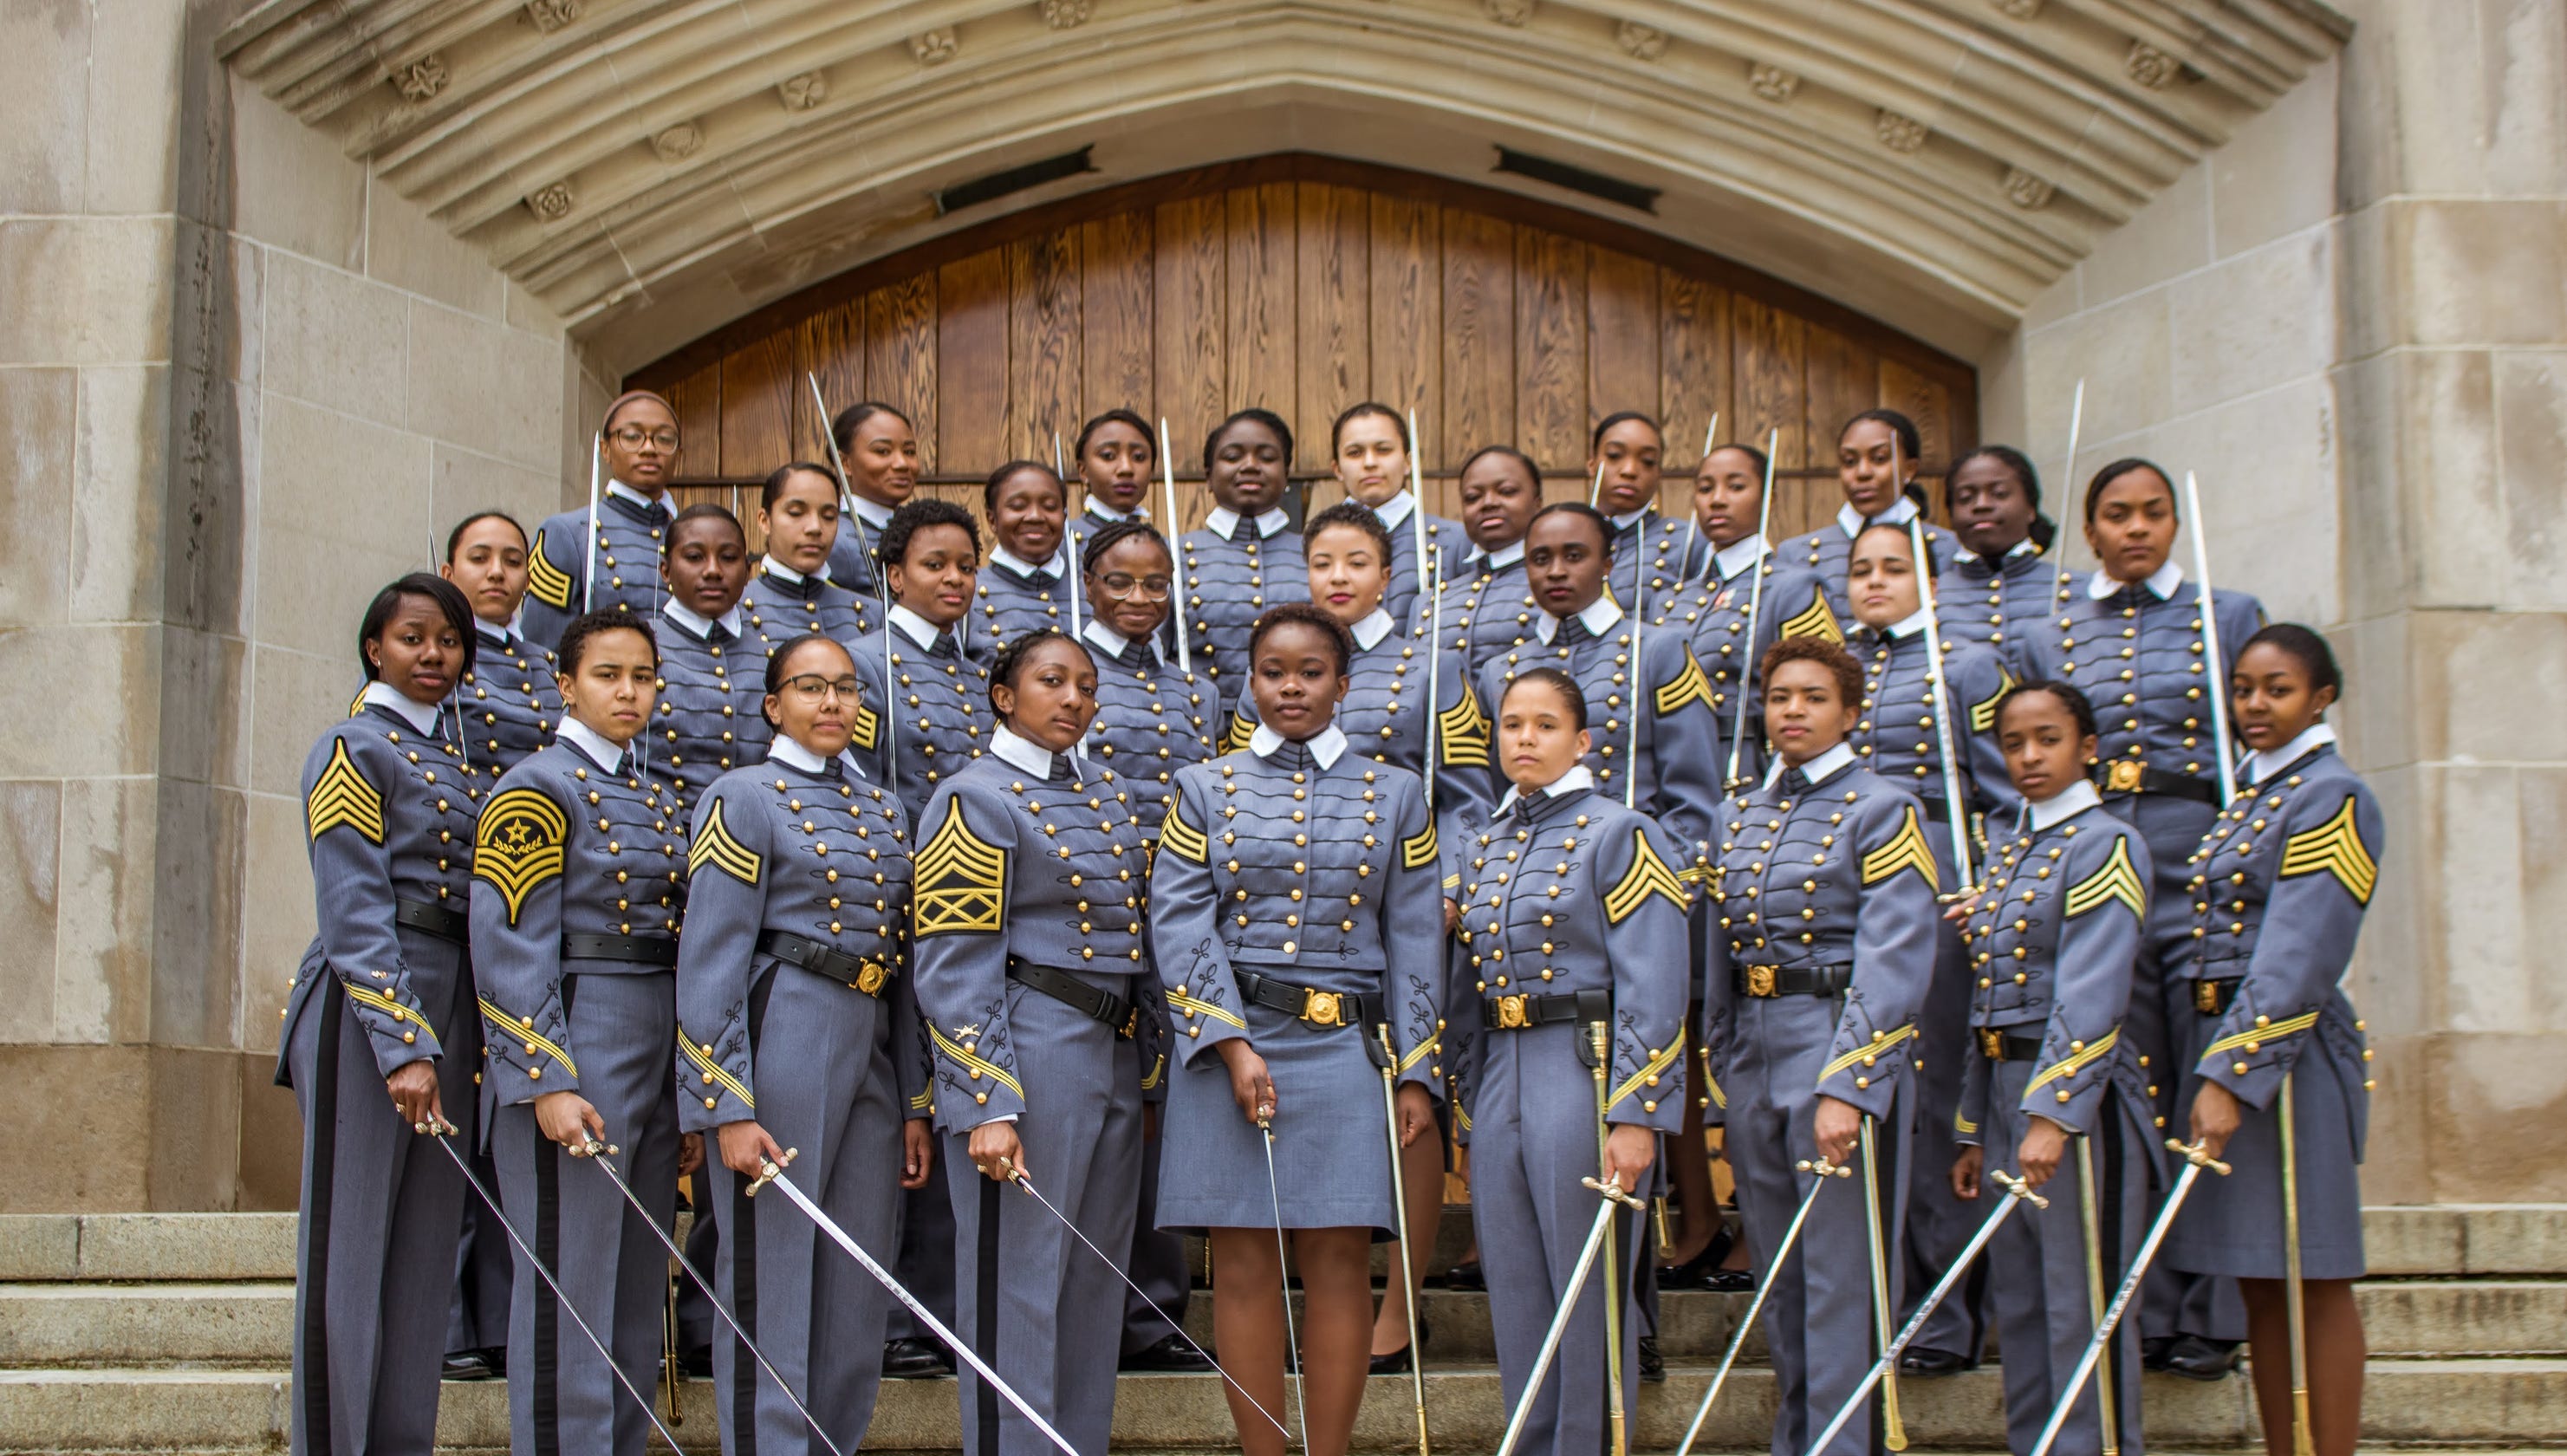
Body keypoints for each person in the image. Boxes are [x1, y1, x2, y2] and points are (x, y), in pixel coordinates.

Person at [1151, 604, 1446, 1456]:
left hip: (1345, 1051)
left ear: (1342, 685)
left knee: (1339, 1261)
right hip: (1228, 1048)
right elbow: (1178, 925)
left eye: (1310, 671)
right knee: (1241, 1265)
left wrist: (1417, 1069)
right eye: (1273, 671)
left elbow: (1417, 934)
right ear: (1250, 680)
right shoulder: (1201, 788)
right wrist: (1231, 1043)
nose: (1290, 686)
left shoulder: (1397, 793)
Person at [1233, 500, 1493, 1372]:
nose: (1338, 577)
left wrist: (1449, 880)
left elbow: (1470, 792)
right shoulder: (1273, 665)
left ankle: (1401, 1299)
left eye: (1356, 561)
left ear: (1389, 573)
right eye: (1322, 563)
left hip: (1411, 905)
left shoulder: (1434, 666)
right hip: (1304, 924)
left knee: (1412, 1096)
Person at [676, 633, 932, 1454]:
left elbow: (901, 964)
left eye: (848, 689)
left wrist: (915, 1103)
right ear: (771, 703)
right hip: (786, 1022)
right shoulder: (742, 796)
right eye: (811, 687)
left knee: (857, 1285)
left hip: (871, 1044)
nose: (832, 704)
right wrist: (724, 1101)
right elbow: (712, 959)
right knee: (773, 1274)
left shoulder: (890, 809)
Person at [909, 628, 1159, 1456]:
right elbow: (953, 965)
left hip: (1112, 1052)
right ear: (1004, 696)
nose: (1075, 699)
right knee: (1018, 1286)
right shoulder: (974, 797)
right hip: (1031, 1047)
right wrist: (986, 1097)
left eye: (1087, 685)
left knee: (1091, 1285)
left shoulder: (1112, 795)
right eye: (1052, 681)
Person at [1699, 636, 1941, 1456]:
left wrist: (1850, 1083)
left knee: (1842, 1275)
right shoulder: (1739, 813)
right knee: (1783, 1274)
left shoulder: (1885, 808)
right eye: (1778, 697)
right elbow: (1721, 954)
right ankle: (1798, 1437)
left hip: (1834, 1046)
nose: (1792, 711)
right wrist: (1727, 1059)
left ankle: (1839, 1445)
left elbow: (1897, 956)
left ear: (1850, 712)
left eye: (1811, 697)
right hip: (1759, 1058)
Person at [2051, 457, 2265, 1380]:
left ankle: (2209, 1301)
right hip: (2100, 858)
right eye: (2115, 515)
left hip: (2198, 853)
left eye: (2152, 514)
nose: (2135, 529)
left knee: (2199, 1064)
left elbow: (2254, 746)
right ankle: (2134, 1297)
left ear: (2174, 522)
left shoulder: (2228, 615)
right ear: (2089, 530)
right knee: (2119, 1080)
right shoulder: (2054, 626)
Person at [1459, 668, 1694, 1456]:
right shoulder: (1487, 842)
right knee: (1519, 1285)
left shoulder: (1621, 830)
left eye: (1546, 725)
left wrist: (1637, 1113)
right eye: (1512, 725)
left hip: (1583, 1067)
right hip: (1503, 1066)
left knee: (1585, 1288)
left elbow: (1655, 982)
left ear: (1582, 741)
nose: (1524, 738)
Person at [471, 609, 689, 1456]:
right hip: (581, 1032)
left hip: (651, 1034)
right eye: (608, 675)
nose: (628, 691)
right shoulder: (534, 787)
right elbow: (510, 944)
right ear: (567, 684)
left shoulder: (656, 794)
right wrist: (545, 1077)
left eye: (642, 676)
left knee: (634, 1292)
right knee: (570, 1288)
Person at [279, 574, 485, 1456]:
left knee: (424, 1254)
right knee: (352, 1245)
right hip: (371, 1008)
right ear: (375, 648)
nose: (432, 655)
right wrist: (401, 1042)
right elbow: (353, 905)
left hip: (455, 1006)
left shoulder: (464, 763)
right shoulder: (350, 749)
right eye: (412, 638)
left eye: (448, 640)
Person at [2166, 625, 2379, 1456]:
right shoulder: (2255, 794)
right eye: (2245, 689)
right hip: (2225, 1046)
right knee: (2260, 1280)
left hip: (2285, 1062)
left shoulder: (2333, 794)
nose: (2256, 705)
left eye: (2278, 689)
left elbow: (2301, 954)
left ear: (2321, 697)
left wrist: (2231, 1075)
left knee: (2314, 1279)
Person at [1950, 680, 2156, 1456]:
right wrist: (1975, 1126)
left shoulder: (2107, 842)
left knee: (2081, 1301)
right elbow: (1988, 1001)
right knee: (2026, 1301)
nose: (2030, 757)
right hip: (2007, 1093)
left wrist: (2055, 1113)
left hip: (2074, 1102)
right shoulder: (2011, 850)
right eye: (2014, 744)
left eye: (2049, 740)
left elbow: (2093, 990)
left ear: (2089, 747)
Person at [1840, 520, 2018, 1376]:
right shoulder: (1835, 665)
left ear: (1932, 582)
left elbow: (2006, 790)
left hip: (1938, 888)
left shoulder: (1968, 663)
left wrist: (1999, 883)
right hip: (1846, 891)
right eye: (1861, 570)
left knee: (1936, 1102)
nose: (1875, 583)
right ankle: (1873, 1303)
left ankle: (1943, 1315)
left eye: (1894, 569)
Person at [1072, 517, 1219, 1373]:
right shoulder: (1067, 672)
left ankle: (1154, 1315)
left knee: (1163, 1114)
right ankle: (1090, 1309)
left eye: (1154, 584)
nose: (1138, 598)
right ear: (1089, 582)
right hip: (1095, 912)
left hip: (1177, 914)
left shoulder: (1193, 689)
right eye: (1119, 581)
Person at [847, 496, 991, 1377]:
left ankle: (938, 1306)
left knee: (946, 1098)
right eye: (934, 564)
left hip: (966, 918)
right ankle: (892, 1313)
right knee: (889, 1112)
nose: (953, 580)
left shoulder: (983, 673)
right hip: (886, 911)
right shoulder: (863, 666)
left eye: (964, 566)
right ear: (895, 571)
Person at [436, 514, 556, 1381]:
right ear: (450, 566)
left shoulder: (549, 670)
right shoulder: (435, 660)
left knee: (505, 1126)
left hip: (527, 913)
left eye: (513, 560)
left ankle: (508, 1314)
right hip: (452, 914)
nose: (499, 572)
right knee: (455, 1127)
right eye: (481, 558)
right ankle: (448, 1323)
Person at [1474, 503, 1725, 864]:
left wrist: (1662, 875)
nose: (1556, 572)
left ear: (1607, 565)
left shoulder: (1657, 651)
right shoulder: (1499, 671)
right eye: (1541, 559)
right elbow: (1492, 793)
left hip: (1629, 867)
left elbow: (1694, 797)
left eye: (1574, 556)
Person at [1654, 439, 1840, 792]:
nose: (1717, 499)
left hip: (1746, 767)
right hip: (1671, 768)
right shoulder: (1670, 598)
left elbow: (1821, 693)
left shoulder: (1793, 588)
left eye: (1736, 487)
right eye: (1705, 488)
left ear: (1768, 497)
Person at [523, 391, 684, 648]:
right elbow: (542, 648)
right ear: (605, 449)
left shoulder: (691, 535)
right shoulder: (567, 533)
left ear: (679, 454)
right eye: (632, 437)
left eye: (664, 439)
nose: (649, 448)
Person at [1180, 408, 1308, 723]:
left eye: (1266, 457)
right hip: (1205, 725)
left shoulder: (1316, 553)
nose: (1250, 466)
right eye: (1233, 456)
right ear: (1208, 475)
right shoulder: (1175, 553)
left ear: (1286, 473)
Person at [1777, 409, 1956, 621]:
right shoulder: (1796, 553)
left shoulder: (1948, 547)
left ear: (1910, 469)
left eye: (1879, 458)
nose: (1863, 472)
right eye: (1849, 461)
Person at [653, 504, 772, 820]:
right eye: (694, 557)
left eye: (729, 558)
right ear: (665, 570)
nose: (713, 570)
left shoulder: (770, 650)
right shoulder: (638, 647)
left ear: (748, 571)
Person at [1936, 445, 2071, 679]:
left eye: (1999, 494)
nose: (1981, 505)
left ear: (2031, 508)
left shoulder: (2078, 588)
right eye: (1966, 498)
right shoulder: (1930, 598)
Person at [1328, 402, 1463, 630]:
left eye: (1383, 450)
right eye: (1355, 453)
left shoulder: (1455, 540)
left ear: (1408, 461)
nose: (1370, 463)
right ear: (1337, 469)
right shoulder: (1317, 544)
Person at [1445, 445, 1546, 676]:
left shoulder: (1556, 587)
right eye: (1473, 497)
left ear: (1537, 503)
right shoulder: (1430, 603)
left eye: (1507, 491)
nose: (1489, 502)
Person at [743, 461, 868, 647]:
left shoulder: (871, 614)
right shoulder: (735, 609)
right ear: (764, 521)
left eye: (828, 516)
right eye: (796, 513)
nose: (815, 528)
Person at [1589, 412, 1698, 613]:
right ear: (1592, 465)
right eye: (1614, 456)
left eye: (1647, 461)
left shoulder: (1689, 540)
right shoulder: (1558, 537)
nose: (1629, 470)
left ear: (1659, 474)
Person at [822, 402, 920, 608]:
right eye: (883, 451)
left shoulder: (923, 529)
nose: (902, 464)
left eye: (909, 452)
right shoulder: (832, 537)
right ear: (845, 463)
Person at [972, 461, 1077, 647]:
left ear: (1064, 516)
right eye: (1019, 506)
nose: (1035, 516)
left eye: (1050, 506)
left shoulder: (1088, 587)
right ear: (992, 520)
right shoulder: (970, 590)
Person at [1064, 408, 1159, 566]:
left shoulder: (1166, 547)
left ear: (1152, 471)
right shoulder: (1060, 545)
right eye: (1108, 456)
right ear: (1083, 470)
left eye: (1138, 457)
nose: (1126, 468)